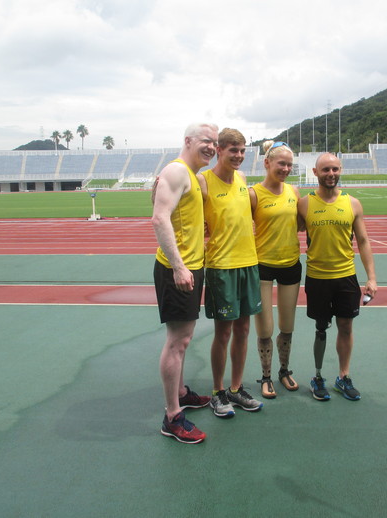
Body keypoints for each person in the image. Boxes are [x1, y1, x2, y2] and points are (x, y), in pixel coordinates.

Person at [152, 122, 218, 443]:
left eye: (215, 143)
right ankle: (172, 416)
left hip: (192, 266)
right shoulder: (177, 171)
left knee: (185, 339)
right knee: (177, 342)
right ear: (188, 140)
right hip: (178, 269)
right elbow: (159, 218)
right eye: (206, 141)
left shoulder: (191, 176)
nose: (212, 147)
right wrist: (179, 267)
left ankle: (180, 392)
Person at [297, 153, 377, 401]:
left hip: (346, 276)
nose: (330, 174)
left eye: (334, 169)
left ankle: (343, 376)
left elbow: (363, 241)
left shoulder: (353, 203)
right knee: (321, 328)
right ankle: (318, 377)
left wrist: (371, 278)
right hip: (318, 278)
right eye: (325, 170)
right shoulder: (304, 204)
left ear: (340, 169)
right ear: (315, 172)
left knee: (346, 326)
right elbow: (288, 228)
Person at [197, 128, 264, 418]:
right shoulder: (203, 181)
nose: (238, 156)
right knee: (223, 333)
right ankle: (217, 392)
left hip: (248, 263)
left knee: (244, 330)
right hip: (221, 267)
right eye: (232, 150)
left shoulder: (242, 179)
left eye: (242, 151)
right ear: (219, 150)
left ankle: (236, 389)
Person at [249, 141, 302, 399]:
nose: (286, 168)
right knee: (265, 328)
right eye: (281, 163)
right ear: (267, 163)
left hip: (291, 264)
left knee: (287, 324)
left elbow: (304, 223)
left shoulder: (294, 191)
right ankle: (266, 376)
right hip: (262, 266)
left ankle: (284, 370)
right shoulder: (253, 194)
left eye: (290, 164)